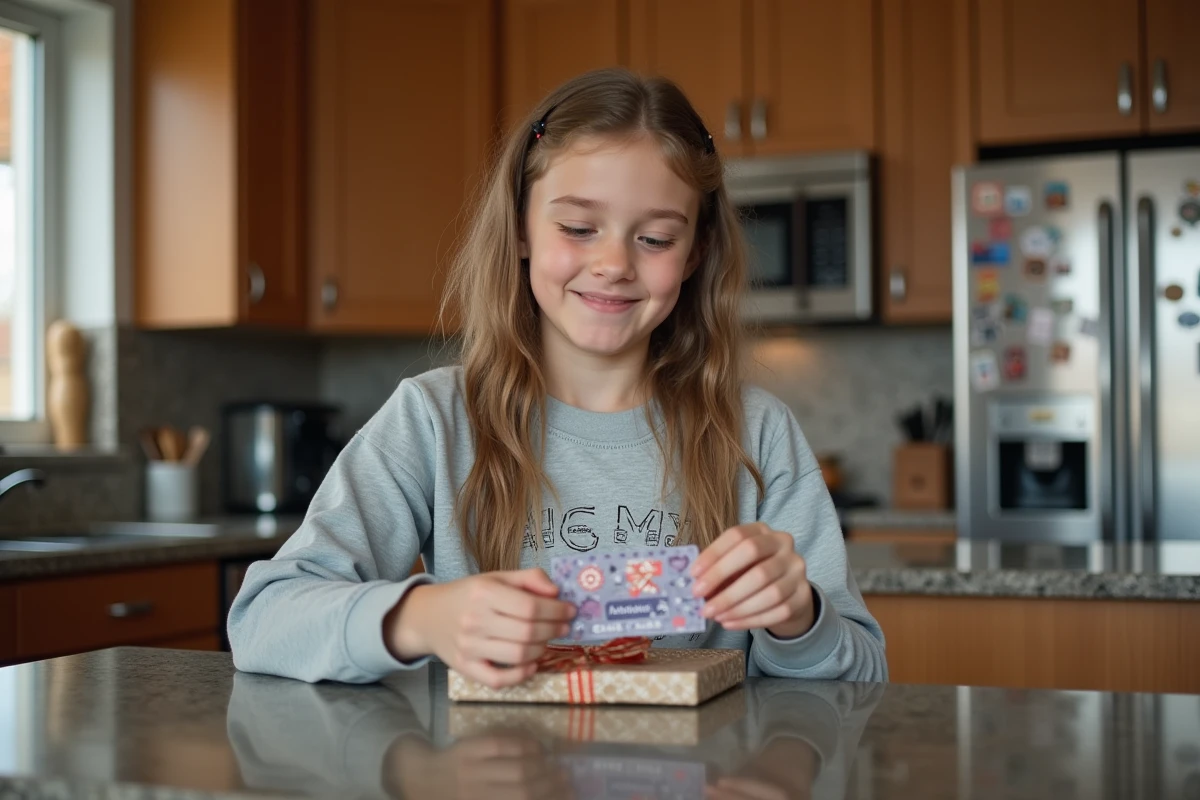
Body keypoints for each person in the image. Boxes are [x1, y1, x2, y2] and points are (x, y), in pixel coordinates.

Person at [227, 67, 887, 687]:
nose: (612, 264)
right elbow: (263, 619)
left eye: (654, 239)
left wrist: (798, 615)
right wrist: (422, 619)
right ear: (520, 228)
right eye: (578, 227)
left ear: (695, 254)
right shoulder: (434, 420)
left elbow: (864, 676)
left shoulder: (757, 431)